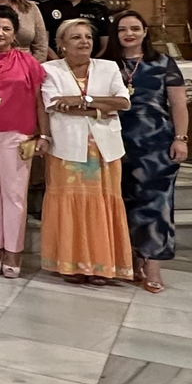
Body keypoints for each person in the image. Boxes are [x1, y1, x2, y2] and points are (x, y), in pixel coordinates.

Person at [41, 18, 133, 284]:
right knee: (71, 204)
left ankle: (103, 266)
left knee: (103, 205)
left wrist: (84, 101)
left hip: (105, 149)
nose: (84, 42)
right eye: (76, 37)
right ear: (61, 44)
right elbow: (55, 105)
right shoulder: (49, 70)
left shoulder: (108, 67)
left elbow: (123, 101)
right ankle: (73, 265)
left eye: (88, 37)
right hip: (67, 148)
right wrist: (101, 109)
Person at [106, 10, 189, 293]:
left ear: (145, 31)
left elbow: (178, 104)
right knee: (124, 200)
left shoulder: (163, 63)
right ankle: (132, 259)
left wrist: (180, 138)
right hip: (115, 142)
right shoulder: (106, 64)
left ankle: (153, 265)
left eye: (135, 28)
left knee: (157, 204)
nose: (129, 34)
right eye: (122, 29)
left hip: (155, 142)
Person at [0, 5, 48, 279]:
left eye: (6, 29)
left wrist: (44, 134)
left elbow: (40, 102)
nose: (0, 33)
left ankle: (13, 251)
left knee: (14, 195)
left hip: (18, 133)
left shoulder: (28, 63)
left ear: (15, 33)